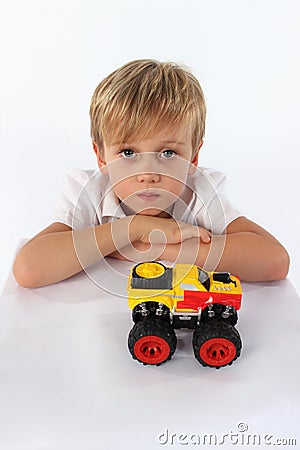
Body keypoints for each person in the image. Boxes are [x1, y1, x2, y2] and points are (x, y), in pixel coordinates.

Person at [13, 59, 289, 288]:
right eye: (128, 153)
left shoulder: (199, 190)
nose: (147, 173)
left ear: (193, 158)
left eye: (168, 153)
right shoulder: (88, 189)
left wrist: (145, 248)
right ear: (101, 157)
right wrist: (133, 229)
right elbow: (29, 269)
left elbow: (274, 261)